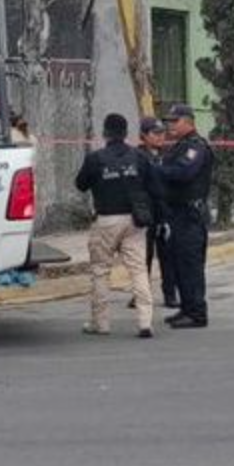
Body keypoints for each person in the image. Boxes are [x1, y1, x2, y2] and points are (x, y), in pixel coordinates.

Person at [74, 114, 155, 338]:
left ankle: (101, 323)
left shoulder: (95, 158)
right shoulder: (139, 156)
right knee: (138, 270)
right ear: (126, 133)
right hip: (135, 221)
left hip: (107, 220)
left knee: (100, 271)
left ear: (105, 133)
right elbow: (152, 184)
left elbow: (80, 184)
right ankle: (145, 322)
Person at [157, 103, 215, 329]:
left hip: (191, 214)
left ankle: (198, 313)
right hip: (177, 213)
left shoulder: (195, 146)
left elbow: (183, 172)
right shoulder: (179, 145)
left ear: (189, 121)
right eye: (169, 121)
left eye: (175, 121)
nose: (170, 125)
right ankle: (187, 307)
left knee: (191, 265)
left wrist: (157, 170)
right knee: (179, 264)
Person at [138, 117, 180, 309]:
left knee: (167, 255)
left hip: (165, 211)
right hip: (145, 211)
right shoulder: (137, 156)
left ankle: (170, 294)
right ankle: (141, 293)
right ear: (144, 136)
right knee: (142, 256)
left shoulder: (170, 154)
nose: (160, 137)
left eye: (162, 133)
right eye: (155, 133)